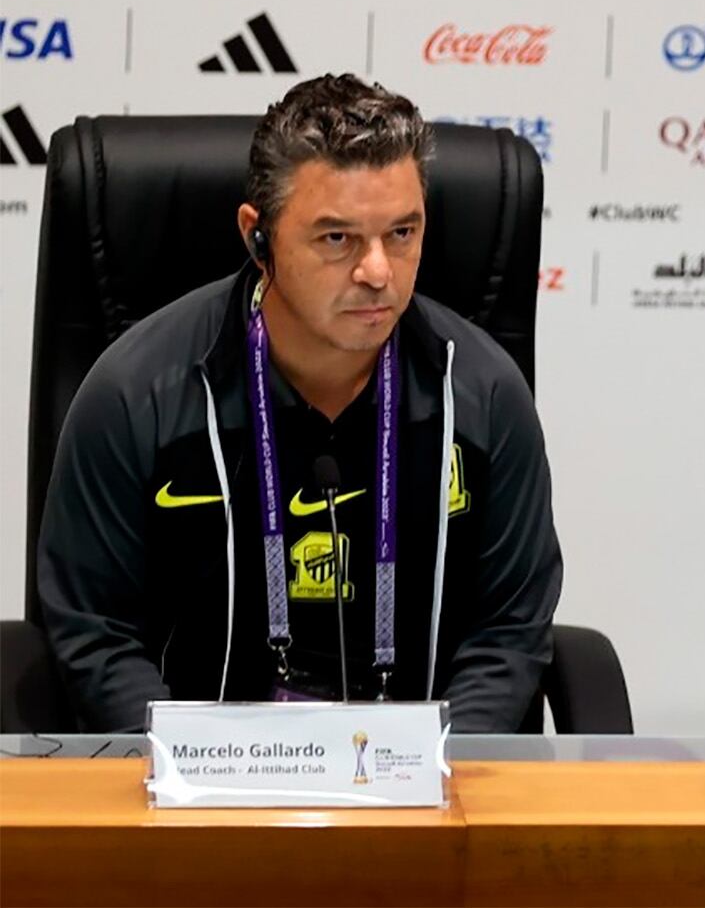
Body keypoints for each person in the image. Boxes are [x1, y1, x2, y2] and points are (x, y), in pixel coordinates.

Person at [39, 75, 563, 732]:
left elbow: (509, 631)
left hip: (423, 796)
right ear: (258, 237)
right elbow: (97, 634)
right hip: (193, 800)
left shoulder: (484, 396)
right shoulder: (136, 396)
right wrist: (191, 779)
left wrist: (441, 779)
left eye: (401, 232)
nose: (377, 270)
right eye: (337, 238)